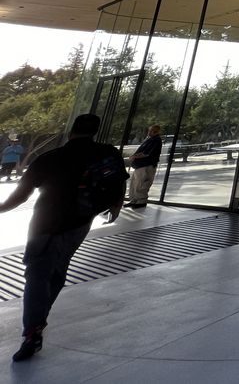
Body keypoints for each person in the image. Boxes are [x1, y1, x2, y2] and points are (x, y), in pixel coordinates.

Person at [0, 114, 126, 362]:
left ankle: (33, 331)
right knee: (57, 269)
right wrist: (116, 207)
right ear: (95, 131)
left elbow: (21, 196)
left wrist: (1, 208)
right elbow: (119, 182)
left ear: (71, 131)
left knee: (37, 274)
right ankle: (39, 319)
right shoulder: (108, 153)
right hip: (80, 222)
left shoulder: (50, 158)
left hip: (46, 224)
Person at [125, 125, 162, 208]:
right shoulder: (150, 139)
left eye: (150, 131)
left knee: (141, 184)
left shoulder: (156, 140)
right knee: (135, 183)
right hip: (140, 166)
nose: (149, 132)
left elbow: (147, 153)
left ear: (155, 131)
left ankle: (141, 201)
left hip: (146, 165)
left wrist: (134, 157)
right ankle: (134, 200)